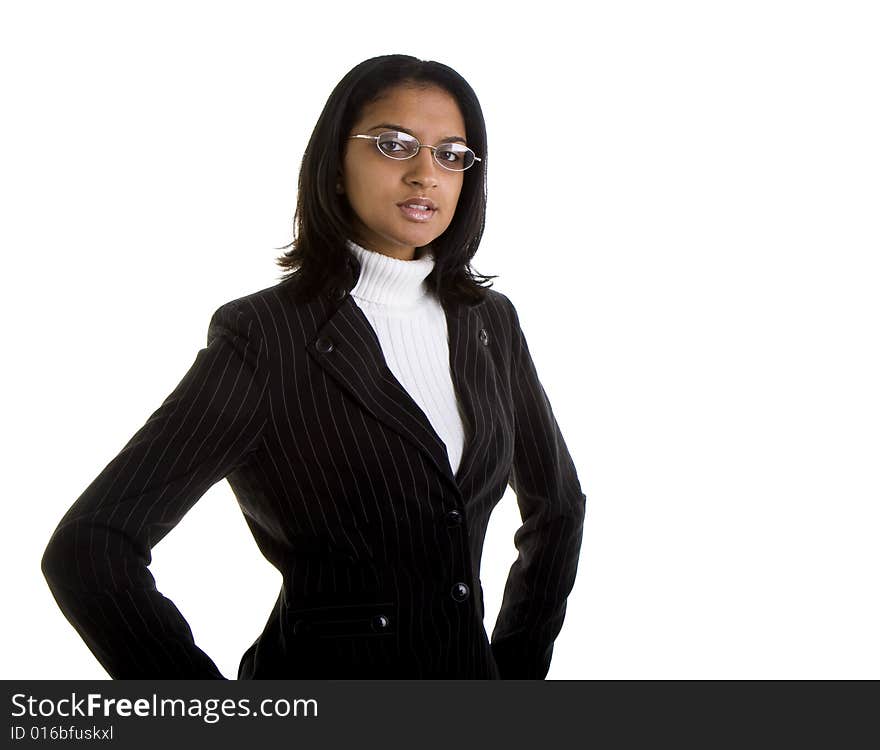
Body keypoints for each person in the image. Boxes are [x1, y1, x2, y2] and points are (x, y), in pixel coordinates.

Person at [41, 53, 588, 679]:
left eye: (450, 154)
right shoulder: (267, 336)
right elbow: (91, 549)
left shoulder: (490, 321)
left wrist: (515, 677)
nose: (424, 174)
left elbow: (558, 505)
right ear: (334, 164)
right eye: (393, 144)